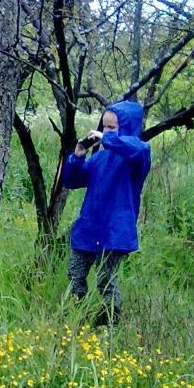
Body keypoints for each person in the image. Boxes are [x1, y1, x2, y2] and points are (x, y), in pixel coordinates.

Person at [62, 101, 151, 326]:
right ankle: (76, 320)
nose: (105, 132)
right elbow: (72, 180)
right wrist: (78, 156)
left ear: (127, 126)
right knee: (75, 274)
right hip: (88, 227)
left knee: (105, 281)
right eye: (104, 126)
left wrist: (107, 138)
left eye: (112, 127)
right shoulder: (100, 158)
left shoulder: (138, 155)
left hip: (114, 231)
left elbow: (137, 148)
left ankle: (109, 326)